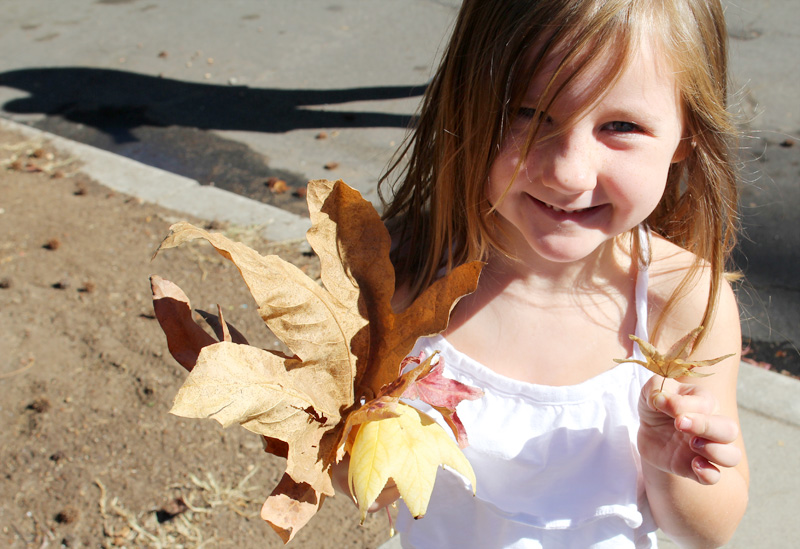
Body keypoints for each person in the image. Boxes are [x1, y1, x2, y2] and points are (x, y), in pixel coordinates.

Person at [364, 0, 750, 547]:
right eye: (529, 113)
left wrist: (669, 467)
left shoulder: (681, 299)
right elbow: (366, 487)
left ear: (686, 135)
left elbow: (711, 530)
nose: (568, 172)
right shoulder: (404, 272)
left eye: (621, 125)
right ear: (468, 102)